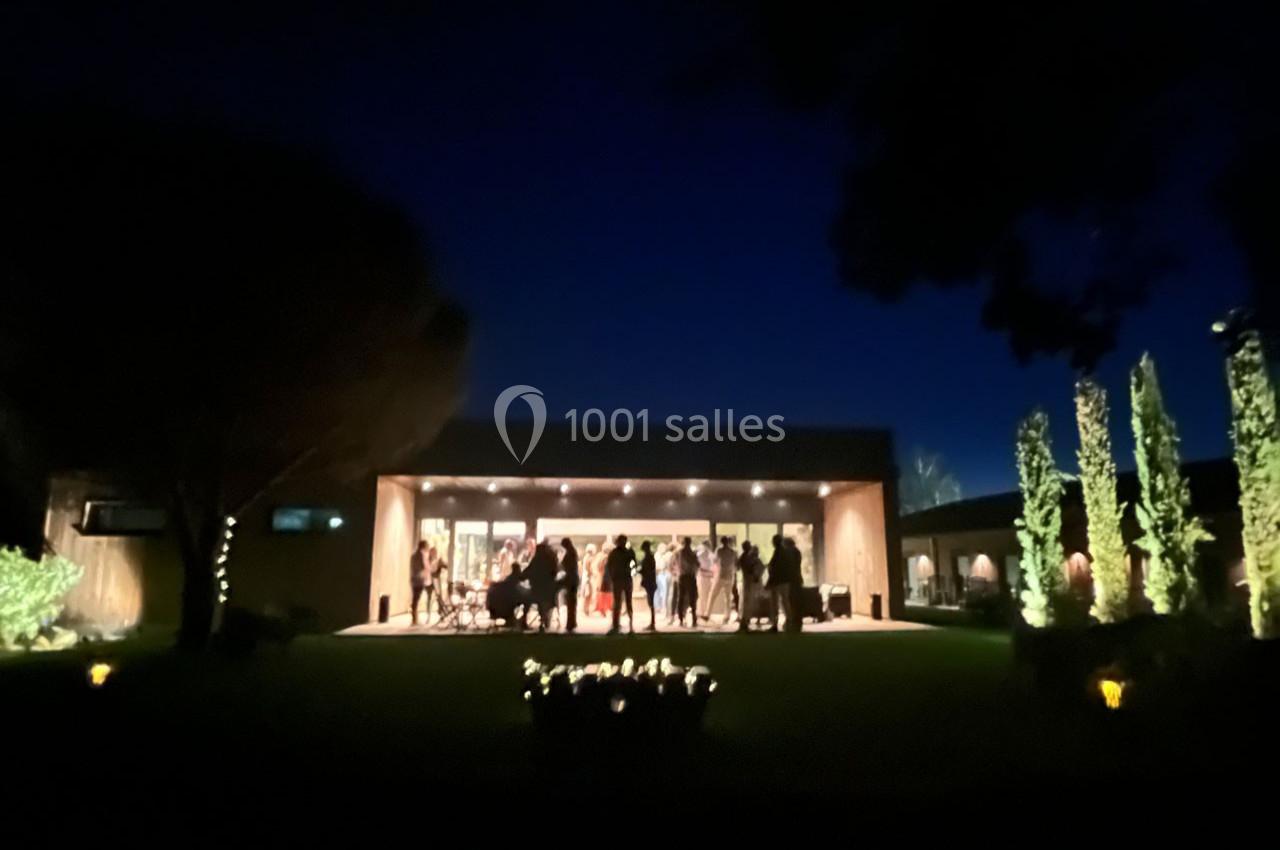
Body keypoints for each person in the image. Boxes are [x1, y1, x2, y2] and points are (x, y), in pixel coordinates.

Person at [522, 540, 558, 632]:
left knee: (526, 600)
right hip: (548, 591)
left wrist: (521, 576)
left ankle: (524, 621)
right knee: (542, 603)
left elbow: (527, 571)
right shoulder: (550, 560)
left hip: (537, 590)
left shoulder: (537, 560)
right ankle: (543, 621)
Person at [606, 534, 636, 634]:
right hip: (621, 579)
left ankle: (627, 625)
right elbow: (609, 566)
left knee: (625, 602)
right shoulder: (619, 553)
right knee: (620, 603)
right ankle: (617, 624)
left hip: (623, 579)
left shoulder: (619, 553)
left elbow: (633, 564)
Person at [765, 534, 794, 633]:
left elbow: (774, 567)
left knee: (776, 603)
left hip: (778, 581)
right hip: (784, 581)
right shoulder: (783, 552)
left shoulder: (779, 552)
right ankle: (789, 622)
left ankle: (776, 624)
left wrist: (770, 580)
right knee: (785, 602)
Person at [705, 536, 738, 624]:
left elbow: (714, 561)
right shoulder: (733, 552)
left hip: (720, 575)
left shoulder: (719, 550)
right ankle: (727, 616)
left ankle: (707, 614)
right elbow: (736, 564)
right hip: (730, 576)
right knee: (727, 597)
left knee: (712, 595)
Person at [738, 541, 763, 632]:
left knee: (748, 601)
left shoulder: (745, 557)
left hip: (748, 580)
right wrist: (754, 575)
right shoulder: (746, 557)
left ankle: (745, 620)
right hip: (749, 581)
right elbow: (749, 569)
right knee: (747, 601)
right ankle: (745, 621)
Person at [677, 537, 700, 627]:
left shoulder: (685, 552)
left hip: (686, 576)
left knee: (686, 598)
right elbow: (693, 563)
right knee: (689, 598)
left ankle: (684, 618)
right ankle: (686, 618)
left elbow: (696, 564)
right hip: (688, 576)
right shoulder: (687, 553)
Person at [784, 537, 805, 633]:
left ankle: (794, 623)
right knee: (796, 602)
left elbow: (791, 567)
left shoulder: (791, 553)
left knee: (793, 602)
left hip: (793, 580)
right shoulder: (797, 552)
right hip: (796, 579)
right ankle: (797, 623)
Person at [409, 540, 431, 626]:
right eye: (427, 546)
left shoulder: (414, 555)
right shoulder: (422, 555)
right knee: (416, 599)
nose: (428, 547)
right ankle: (415, 619)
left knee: (415, 599)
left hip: (414, 579)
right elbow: (425, 567)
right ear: (424, 546)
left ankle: (415, 618)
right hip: (420, 580)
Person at [560, 537, 580, 633]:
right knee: (572, 602)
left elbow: (566, 566)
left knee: (570, 602)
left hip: (571, 580)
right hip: (573, 579)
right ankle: (571, 622)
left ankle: (570, 623)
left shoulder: (570, 554)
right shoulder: (572, 552)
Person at [638, 540, 658, 631]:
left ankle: (652, 623)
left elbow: (647, 570)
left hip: (649, 582)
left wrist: (639, 570)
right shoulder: (650, 556)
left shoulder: (648, 557)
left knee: (651, 602)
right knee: (650, 602)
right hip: (650, 582)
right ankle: (652, 622)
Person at [696, 540, 716, 621]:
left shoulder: (700, 554)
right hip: (709, 577)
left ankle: (702, 612)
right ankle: (706, 613)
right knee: (707, 595)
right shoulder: (712, 555)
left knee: (702, 595)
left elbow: (697, 566)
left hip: (703, 576)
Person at [594, 541, 615, 617]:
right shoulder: (604, 557)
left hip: (606, 578)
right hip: (604, 578)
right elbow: (599, 567)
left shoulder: (604, 557)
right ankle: (603, 610)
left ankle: (605, 610)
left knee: (607, 594)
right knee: (604, 594)